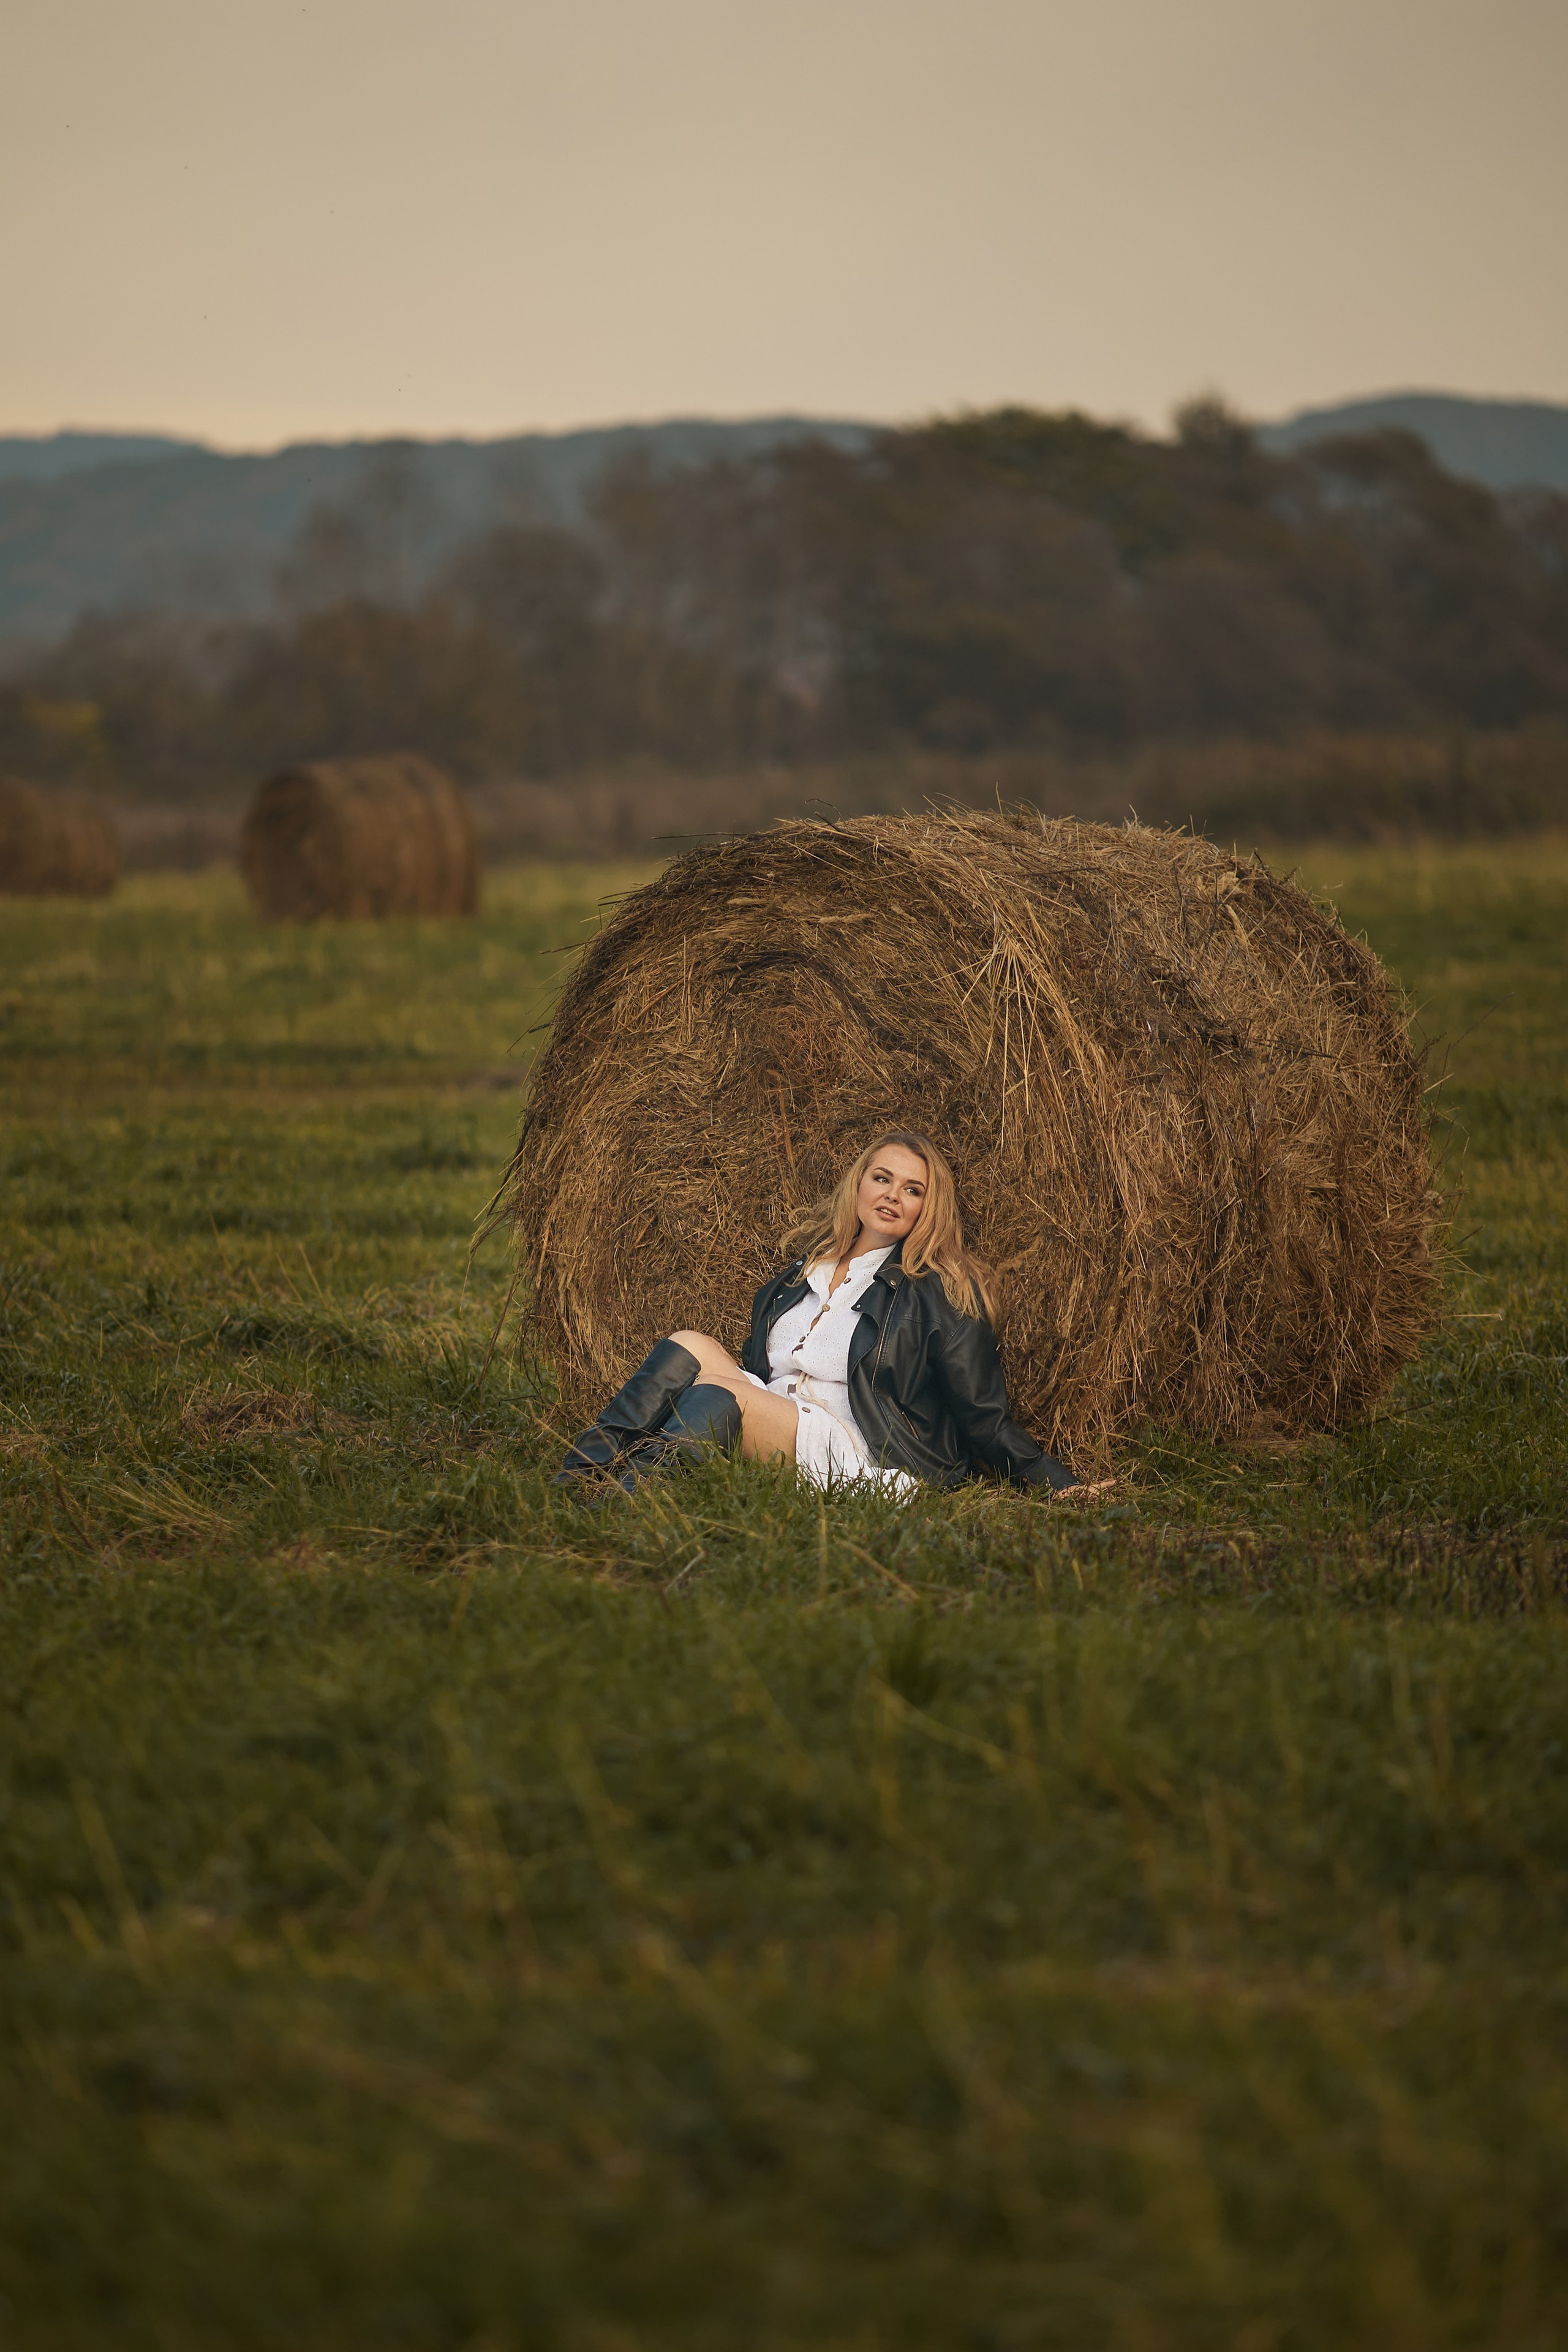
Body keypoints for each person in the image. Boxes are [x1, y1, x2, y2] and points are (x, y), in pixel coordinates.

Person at [555, 1130, 1111, 1501]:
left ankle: (633, 1501)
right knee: (689, 1343)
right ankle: (578, 1476)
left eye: (913, 1190)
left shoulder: (937, 1292)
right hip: (778, 1409)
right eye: (882, 1178)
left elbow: (984, 1416)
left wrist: (1055, 1482)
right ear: (860, 1183)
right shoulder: (805, 1272)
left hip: (855, 1448)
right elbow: (762, 1365)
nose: (892, 1195)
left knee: (722, 1397)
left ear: (929, 1207)